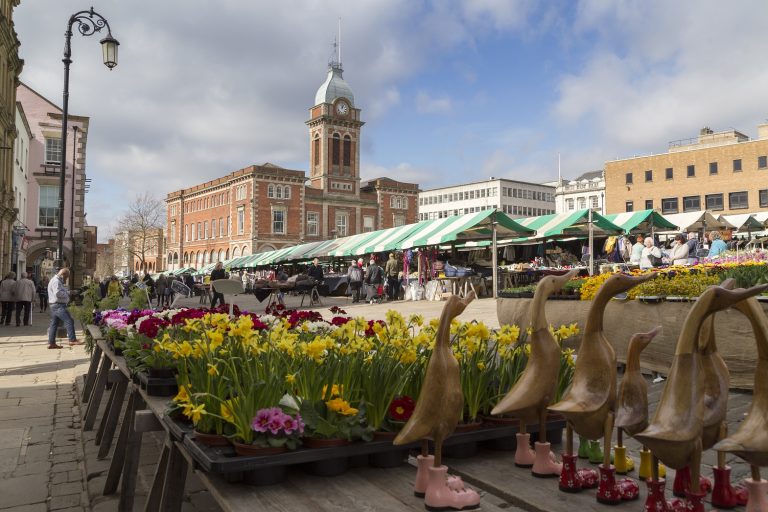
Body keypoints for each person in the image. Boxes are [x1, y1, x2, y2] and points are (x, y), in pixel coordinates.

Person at [47, 268, 82, 349]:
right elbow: (58, 293)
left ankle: (51, 343)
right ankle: (72, 340)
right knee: (69, 320)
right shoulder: (56, 281)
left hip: (54, 305)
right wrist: (68, 293)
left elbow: (60, 291)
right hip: (58, 305)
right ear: (63, 274)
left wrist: (69, 292)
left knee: (54, 324)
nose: (66, 279)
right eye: (66, 277)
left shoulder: (56, 280)